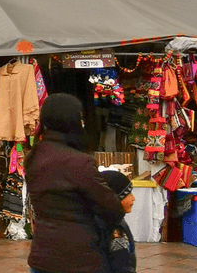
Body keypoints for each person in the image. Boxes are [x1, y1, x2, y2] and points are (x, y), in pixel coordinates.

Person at [26, 93, 125, 273]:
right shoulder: (78, 163)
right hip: (78, 260)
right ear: (70, 121)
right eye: (80, 117)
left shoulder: (34, 156)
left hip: (42, 257)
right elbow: (112, 209)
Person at [99, 170, 137, 273]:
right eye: (128, 193)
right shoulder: (115, 228)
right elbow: (122, 264)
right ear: (115, 198)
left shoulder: (114, 220)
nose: (133, 198)